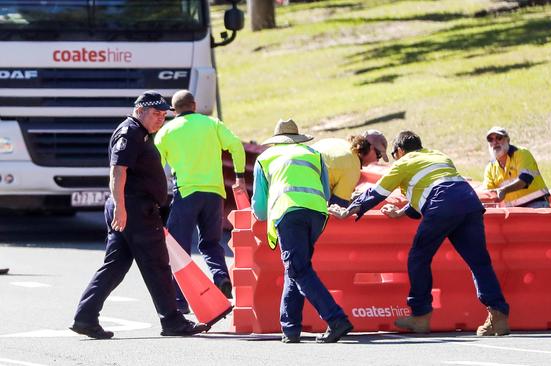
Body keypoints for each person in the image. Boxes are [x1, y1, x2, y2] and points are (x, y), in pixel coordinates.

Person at [330, 130, 510, 336]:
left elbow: (377, 192)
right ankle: (498, 315)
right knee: (479, 262)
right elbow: (429, 189)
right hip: (469, 202)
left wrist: (348, 210)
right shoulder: (438, 156)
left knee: (418, 258)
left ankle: (420, 314)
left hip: (443, 204)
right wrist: (400, 212)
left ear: (399, 151)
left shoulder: (403, 163)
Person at [70, 91, 209, 339]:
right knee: (157, 265)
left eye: (163, 115)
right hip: (135, 211)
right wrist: (121, 208)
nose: (160, 119)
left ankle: (85, 317)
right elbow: (118, 172)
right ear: (139, 110)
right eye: (155, 114)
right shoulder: (130, 133)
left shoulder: (140, 133)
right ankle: (173, 321)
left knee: (115, 266)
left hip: (131, 209)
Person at [251, 118, 353, 343]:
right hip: (317, 214)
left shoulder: (265, 158)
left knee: (298, 269)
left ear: (276, 140)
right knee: (296, 268)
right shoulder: (313, 154)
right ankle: (290, 328)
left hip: (289, 213)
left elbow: (259, 206)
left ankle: (336, 319)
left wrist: (260, 216)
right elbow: (326, 193)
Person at [154, 90, 245, 310]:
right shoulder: (212, 124)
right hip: (214, 193)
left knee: (178, 248)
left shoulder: (165, 132)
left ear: (173, 111)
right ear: (194, 105)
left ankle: (180, 300)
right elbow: (236, 146)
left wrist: (156, 197)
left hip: (186, 193)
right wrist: (240, 176)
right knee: (211, 242)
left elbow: (155, 168)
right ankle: (221, 277)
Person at [312, 130, 389, 207]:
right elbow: (337, 207)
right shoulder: (353, 166)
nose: (377, 160)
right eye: (379, 155)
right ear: (371, 148)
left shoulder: (340, 143)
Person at [482, 126, 550, 208]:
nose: (495, 142)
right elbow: (488, 193)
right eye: (490, 139)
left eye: (499, 138)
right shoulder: (490, 168)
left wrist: (504, 190)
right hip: (513, 211)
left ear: (508, 140)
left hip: (536, 205)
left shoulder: (521, 153)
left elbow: (525, 179)